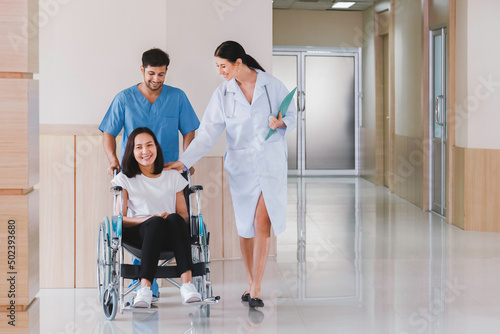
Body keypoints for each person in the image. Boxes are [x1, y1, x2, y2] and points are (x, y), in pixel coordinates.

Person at [166, 41, 296, 308]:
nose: (220, 71)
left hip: (270, 164)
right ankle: (249, 281)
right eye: (218, 66)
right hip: (242, 168)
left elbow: (292, 114)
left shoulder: (272, 85)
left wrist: (282, 122)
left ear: (239, 63)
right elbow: (208, 133)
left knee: (263, 222)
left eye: (223, 66)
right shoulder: (223, 94)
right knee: (245, 227)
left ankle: (257, 287)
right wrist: (183, 160)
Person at [99, 48, 200, 300]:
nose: (156, 79)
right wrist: (113, 160)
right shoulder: (125, 98)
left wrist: (186, 160)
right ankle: (147, 287)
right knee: (146, 219)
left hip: (167, 172)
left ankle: (174, 286)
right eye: (152, 73)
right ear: (142, 69)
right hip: (134, 173)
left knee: (174, 219)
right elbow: (109, 132)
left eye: (162, 74)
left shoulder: (177, 97)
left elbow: (189, 130)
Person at [111, 127, 202, 308]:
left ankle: (187, 286)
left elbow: (184, 215)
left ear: (156, 148)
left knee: (174, 219)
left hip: (172, 234)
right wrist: (148, 219)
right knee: (155, 222)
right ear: (132, 151)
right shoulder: (125, 179)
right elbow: (119, 219)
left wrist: (169, 217)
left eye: (149, 145)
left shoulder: (173, 176)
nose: (145, 151)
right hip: (139, 235)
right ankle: (145, 289)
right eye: (139, 147)